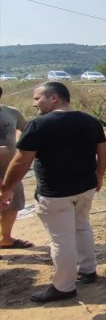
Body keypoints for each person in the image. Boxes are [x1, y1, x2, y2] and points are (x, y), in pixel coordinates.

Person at [0, 82, 106, 303]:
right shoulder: (90, 121)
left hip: (55, 193)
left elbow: (21, 161)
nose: (34, 103)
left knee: (61, 239)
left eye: (37, 98)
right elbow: (103, 150)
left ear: (54, 98)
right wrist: (99, 176)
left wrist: (6, 188)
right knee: (82, 226)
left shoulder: (40, 124)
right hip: (85, 187)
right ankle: (88, 270)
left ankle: (64, 286)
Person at [0, 86, 31, 251]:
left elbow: (27, 130)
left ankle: (5, 238)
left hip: (9, 169)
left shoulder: (12, 112)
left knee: (13, 202)